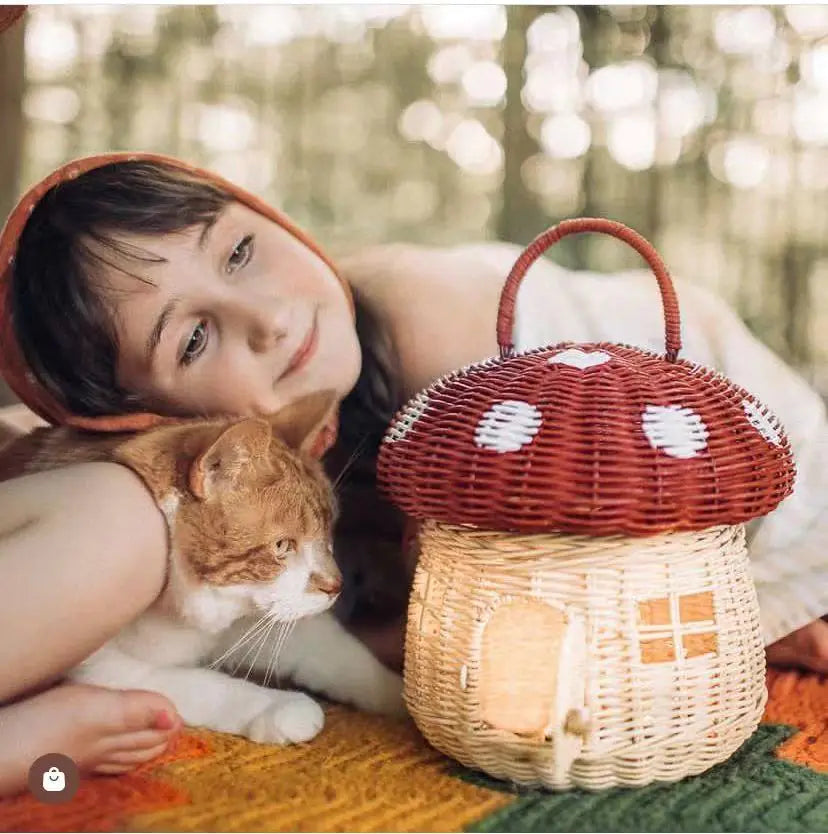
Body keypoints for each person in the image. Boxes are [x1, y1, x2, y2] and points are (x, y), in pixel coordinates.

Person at [0, 152, 825, 795]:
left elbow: (522, 628)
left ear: (270, 216)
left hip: (731, 447)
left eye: (241, 250)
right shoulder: (207, 480)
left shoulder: (438, 331)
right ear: (142, 417)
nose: (272, 318)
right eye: (192, 340)